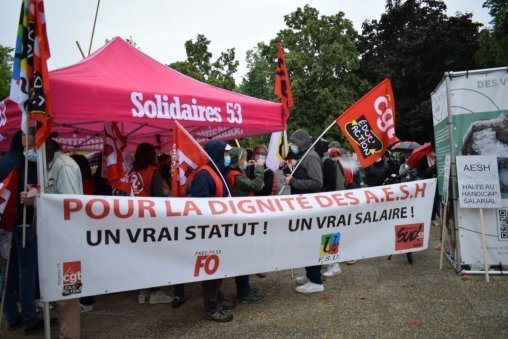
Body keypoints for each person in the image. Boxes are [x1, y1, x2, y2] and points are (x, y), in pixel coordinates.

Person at [21, 135, 82, 338]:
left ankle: (70, 335)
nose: (26, 151)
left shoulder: (63, 166)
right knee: (60, 294)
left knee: (67, 295)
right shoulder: (49, 165)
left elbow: (71, 206)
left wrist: (37, 202)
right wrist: (37, 195)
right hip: (53, 240)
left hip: (65, 242)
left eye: (28, 144)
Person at [187, 140, 236, 322]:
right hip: (209, 232)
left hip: (218, 230)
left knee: (218, 268)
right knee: (210, 270)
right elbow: (200, 206)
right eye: (225, 153)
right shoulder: (204, 175)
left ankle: (218, 299)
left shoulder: (217, 172)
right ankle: (211, 307)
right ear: (215, 154)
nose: (227, 157)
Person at [0, 130, 41, 335]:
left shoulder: (3, 161)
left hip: (4, 226)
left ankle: (10, 315)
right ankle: (29, 318)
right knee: (26, 271)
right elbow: (36, 191)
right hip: (24, 223)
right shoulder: (27, 164)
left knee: (7, 271)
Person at [129, 143, 174, 305]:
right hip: (150, 220)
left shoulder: (132, 171)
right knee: (154, 256)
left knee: (140, 256)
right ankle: (155, 292)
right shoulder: (153, 172)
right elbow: (158, 200)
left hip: (133, 218)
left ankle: (142, 292)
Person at [283, 129, 324, 293]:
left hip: (310, 208)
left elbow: (317, 183)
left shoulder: (311, 157)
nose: (292, 146)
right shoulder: (304, 156)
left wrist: (293, 181)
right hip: (304, 207)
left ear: (302, 143)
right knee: (305, 242)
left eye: (293, 143)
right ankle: (310, 274)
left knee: (311, 243)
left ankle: (316, 280)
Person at [226, 147, 265, 303]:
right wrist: (260, 167)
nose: (244, 161)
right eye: (242, 159)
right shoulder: (236, 176)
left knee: (243, 255)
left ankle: (245, 287)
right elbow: (256, 185)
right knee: (243, 256)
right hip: (242, 220)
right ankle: (244, 291)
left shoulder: (234, 173)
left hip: (241, 219)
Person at [70, 154, 96, 313]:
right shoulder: (87, 182)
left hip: (83, 228)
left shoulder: (84, 183)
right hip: (85, 228)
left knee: (82, 265)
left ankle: (86, 300)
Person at [321, 146, 345, 277]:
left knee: (331, 233)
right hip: (337, 202)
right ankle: (332, 262)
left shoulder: (329, 164)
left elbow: (329, 182)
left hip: (332, 203)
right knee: (332, 233)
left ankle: (333, 264)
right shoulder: (338, 165)